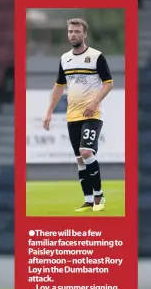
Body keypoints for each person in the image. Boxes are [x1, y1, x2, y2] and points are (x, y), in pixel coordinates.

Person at [42, 18, 114, 213]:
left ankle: (99, 195)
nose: (73, 34)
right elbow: (59, 87)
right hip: (72, 116)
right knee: (80, 160)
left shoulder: (96, 56)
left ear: (84, 34)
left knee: (86, 152)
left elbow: (108, 83)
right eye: (70, 31)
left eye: (76, 31)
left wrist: (93, 102)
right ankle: (88, 200)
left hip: (92, 114)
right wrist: (49, 112)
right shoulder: (65, 59)